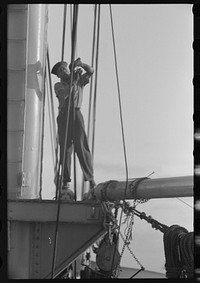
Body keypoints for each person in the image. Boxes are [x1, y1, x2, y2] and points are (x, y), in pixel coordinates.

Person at [51, 58, 96, 198]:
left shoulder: (78, 81)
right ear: (58, 75)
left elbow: (91, 71)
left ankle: (90, 178)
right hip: (64, 115)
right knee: (65, 149)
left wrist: (81, 65)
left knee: (81, 146)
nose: (63, 71)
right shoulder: (58, 85)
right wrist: (73, 81)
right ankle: (65, 181)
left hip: (76, 113)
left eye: (64, 68)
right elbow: (64, 95)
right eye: (60, 71)